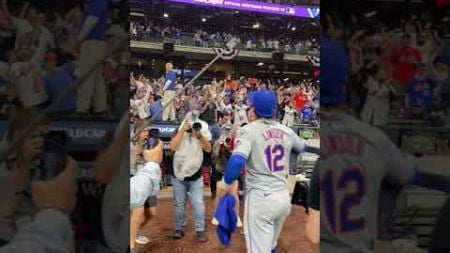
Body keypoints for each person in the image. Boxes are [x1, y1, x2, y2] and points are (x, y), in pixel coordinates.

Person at [319, 13, 450, 253]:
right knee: (389, 173)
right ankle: (385, 229)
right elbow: (416, 176)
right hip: (357, 243)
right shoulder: (371, 139)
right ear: (344, 83)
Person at [215, 89, 319, 253]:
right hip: (283, 200)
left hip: (260, 200)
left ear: (254, 111)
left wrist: (226, 183)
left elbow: (236, 161)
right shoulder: (286, 131)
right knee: (270, 246)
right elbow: (304, 146)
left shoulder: (248, 130)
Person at [169, 110, 212, 242]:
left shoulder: (201, 131)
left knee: (198, 204)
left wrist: (198, 135)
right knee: (179, 205)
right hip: (178, 176)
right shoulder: (178, 130)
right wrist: (183, 130)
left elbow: (208, 149)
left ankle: (200, 230)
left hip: (196, 177)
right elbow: (173, 147)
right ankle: (179, 228)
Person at [76, 0, 108, 115]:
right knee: (96, 77)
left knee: (86, 76)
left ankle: (82, 109)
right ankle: (100, 108)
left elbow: (92, 20)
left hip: (91, 42)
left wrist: (78, 39)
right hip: (98, 43)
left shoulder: (97, 2)